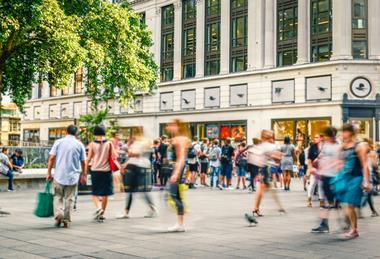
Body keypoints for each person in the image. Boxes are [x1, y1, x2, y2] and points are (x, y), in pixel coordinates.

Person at [332, 124, 371, 239]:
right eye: (342, 131)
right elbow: (340, 163)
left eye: (345, 131)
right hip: (345, 177)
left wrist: (366, 181)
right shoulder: (342, 146)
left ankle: (354, 229)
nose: (342, 134)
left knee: (349, 204)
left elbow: (365, 165)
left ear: (351, 133)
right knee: (345, 203)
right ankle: (351, 225)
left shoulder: (360, 146)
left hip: (356, 178)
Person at [46, 125, 87, 228]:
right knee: (69, 198)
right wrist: (84, 175)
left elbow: (51, 158)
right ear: (76, 133)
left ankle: (59, 213)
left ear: (66, 132)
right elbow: (84, 162)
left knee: (57, 196)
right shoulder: (79, 144)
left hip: (59, 175)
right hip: (73, 176)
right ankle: (66, 220)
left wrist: (49, 173)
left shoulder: (58, 142)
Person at [245, 130, 285, 223]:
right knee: (264, 190)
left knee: (266, 189)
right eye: (270, 136)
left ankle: (277, 207)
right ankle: (257, 208)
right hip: (265, 169)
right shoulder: (269, 147)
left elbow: (252, 156)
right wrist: (278, 156)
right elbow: (277, 158)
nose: (272, 138)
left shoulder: (261, 147)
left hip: (262, 169)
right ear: (267, 137)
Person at [118, 127, 157, 219]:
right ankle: (127, 212)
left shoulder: (142, 142)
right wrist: (125, 164)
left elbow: (135, 154)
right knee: (133, 190)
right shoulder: (142, 142)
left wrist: (128, 150)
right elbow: (132, 157)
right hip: (136, 166)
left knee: (135, 190)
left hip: (138, 167)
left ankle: (152, 209)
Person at [311, 126, 341, 233]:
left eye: (326, 136)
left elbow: (339, 161)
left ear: (331, 136)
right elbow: (321, 156)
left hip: (334, 176)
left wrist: (328, 167)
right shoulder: (325, 145)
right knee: (327, 200)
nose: (324, 138)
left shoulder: (338, 146)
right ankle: (325, 224)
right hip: (324, 175)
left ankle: (340, 223)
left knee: (332, 202)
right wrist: (315, 162)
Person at [86, 125, 117, 222]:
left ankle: (98, 208)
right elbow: (115, 156)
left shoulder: (92, 144)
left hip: (95, 170)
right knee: (105, 193)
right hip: (107, 171)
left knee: (95, 192)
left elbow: (89, 158)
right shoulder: (109, 143)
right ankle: (102, 213)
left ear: (95, 133)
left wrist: (85, 169)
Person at [165, 119, 191, 232]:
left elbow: (181, 158)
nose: (168, 127)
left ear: (178, 126)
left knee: (173, 195)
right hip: (178, 169)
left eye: (171, 125)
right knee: (175, 196)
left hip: (178, 169)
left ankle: (180, 224)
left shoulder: (180, 139)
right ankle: (180, 224)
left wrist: (176, 173)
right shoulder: (179, 139)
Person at [360, 138, 379, 217]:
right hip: (366, 174)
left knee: (367, 193)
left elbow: (374, 165)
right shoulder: (372, 153)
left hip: (365, 174)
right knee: (367, 193)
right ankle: (371, 211)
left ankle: (371, 210)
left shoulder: (363, 152)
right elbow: (375, 165)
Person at [307, 134, 324, 207]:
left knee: (321, 185)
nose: (315, 139)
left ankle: (321, 201)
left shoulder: (324, 147)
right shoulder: (312, 147)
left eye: (317, 137)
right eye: (314, 137)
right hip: (314, 169)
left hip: (322, 169)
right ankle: (309, 199)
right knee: (312, 184)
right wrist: (310, 169)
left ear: (321, 138)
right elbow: (309, 160)